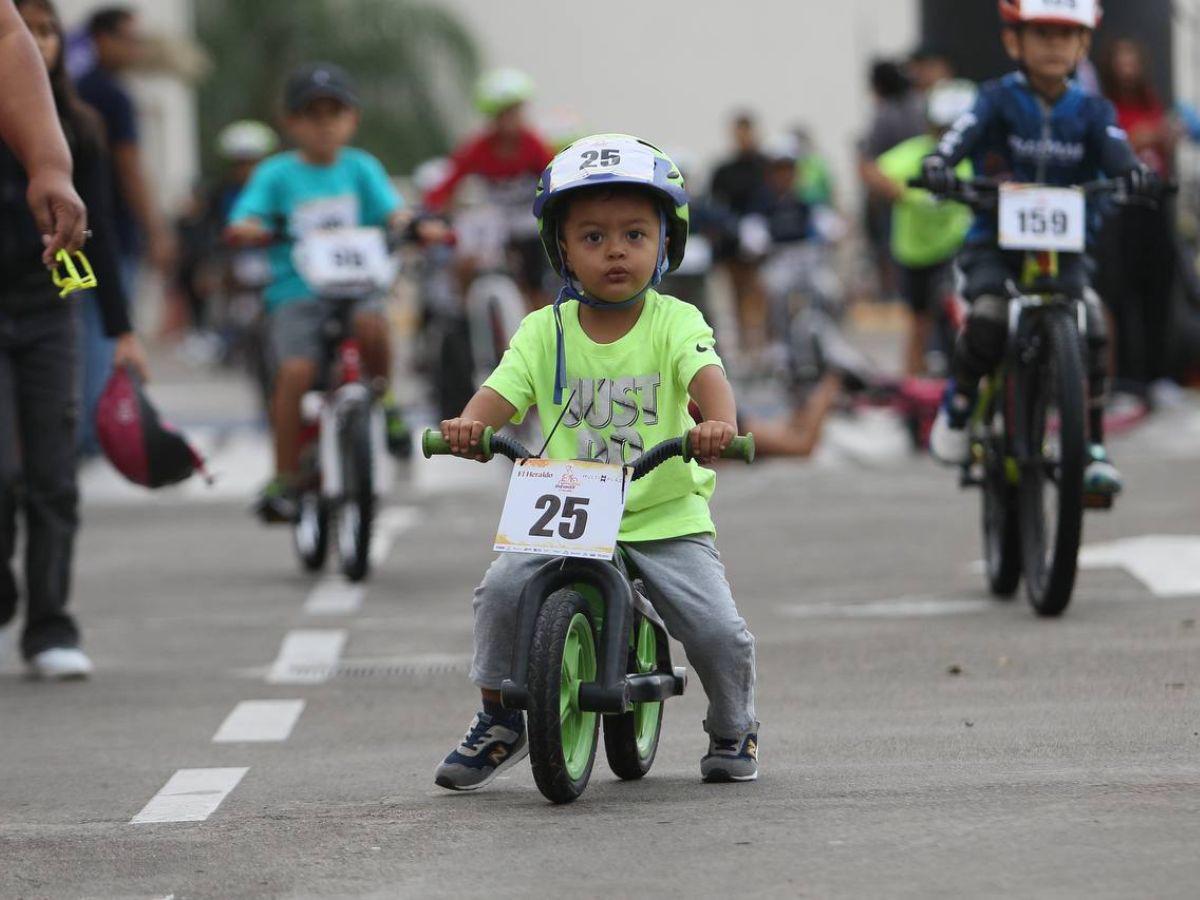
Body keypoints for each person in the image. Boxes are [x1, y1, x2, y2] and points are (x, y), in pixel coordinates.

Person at [433, 135, 758, 790]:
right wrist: (471, 427)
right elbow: (499, 394)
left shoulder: (674, 319)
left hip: (661, 509)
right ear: (561, 250)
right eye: (593, 237)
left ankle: (733, 723)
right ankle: (499, 715)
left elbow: (706, 374)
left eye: (635, 234)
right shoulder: (541, 331)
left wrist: (717, 421)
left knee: (717, 630)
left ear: (666, 243)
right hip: (565, 509)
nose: (615, 250)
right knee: (500, 592)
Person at [922, 0, 1156, 502]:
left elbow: (1116, 148)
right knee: (987, 316)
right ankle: (961, 403)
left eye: (1065, 36)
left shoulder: (1093, 110)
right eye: (1041, 34)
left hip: (1066, 248)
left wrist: (1133, 171)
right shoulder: (996, 99)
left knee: (1092, 322)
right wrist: (941, 161)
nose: (1053, 45)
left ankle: (1092, 445)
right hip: (995, 244)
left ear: (1083, 46)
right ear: (1014, 42)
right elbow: (961, 137)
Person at [1, 0, 149, 679]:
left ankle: (51, 626)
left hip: (48, 309)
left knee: (55, 475)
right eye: (24, 31)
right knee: (3, 473)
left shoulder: (79, 129)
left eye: (47, 29)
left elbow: (105, 239)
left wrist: (121, 332)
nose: (37, 43)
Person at [226, 62, 406, 523]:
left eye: (335, 112)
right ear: (291, 122)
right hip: (296, 292)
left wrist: (412, 224)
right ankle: (284, 476)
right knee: (295, 372)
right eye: (311, 113)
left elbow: (393, 213)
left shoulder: (361, 168)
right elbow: (246, 216)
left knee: (374, 327)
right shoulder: (276, 173)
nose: (323, 123)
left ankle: (385, 405)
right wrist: (248, 227)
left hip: (358, 286)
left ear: (352, 119)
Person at [75, 6, 174, 454]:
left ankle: (78, 429)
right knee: (105, 330)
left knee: (78, 329)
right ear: (101, 38)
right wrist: (156, 229)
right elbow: (129, 166)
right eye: (128, 38)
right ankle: (95, 434)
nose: (135, 49)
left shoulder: (73, 88)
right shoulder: (110, 95)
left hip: (72, 227)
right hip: (109, 229)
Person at [863, 79, 976, 376]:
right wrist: (898, 192)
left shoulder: (971, 158)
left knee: (958, 310)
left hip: (953, 250)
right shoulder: (916, 152)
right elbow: (872, 171)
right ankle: (913, 390)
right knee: (918, 323)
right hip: (914, 253)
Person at [423, 68, 554, 306]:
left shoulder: (533, 144)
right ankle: (465, 313)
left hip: (528, 220)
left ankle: (541, 319)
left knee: (535, 280)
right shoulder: (478, 147)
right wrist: (430, 210)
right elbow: (449, 182)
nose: (510, 120)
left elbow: (554, 177)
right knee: (465, 261)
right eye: (503, 113)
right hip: (494, 223)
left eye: (515, 112)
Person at [1096, 39, 1177, 398]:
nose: (1128, 68)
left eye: (1134, 61)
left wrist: (1165, 138)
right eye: (1121, 61)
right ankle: (1128, 378)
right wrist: (1136, 137)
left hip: (1156, 202)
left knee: (1158, 287)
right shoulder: (1102, 107)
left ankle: (1159, 374)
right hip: (1120, 206)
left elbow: (1162, 146)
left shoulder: (1151, 100)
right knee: (1120, 289)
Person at [710, 111, 769, 355]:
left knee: (758, 293)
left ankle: (760, 342)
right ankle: (744, 345)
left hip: (762, 242)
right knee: (736, 293)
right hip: (731, 243)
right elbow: (715, 204)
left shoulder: (764, 166)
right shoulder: (724, 170)